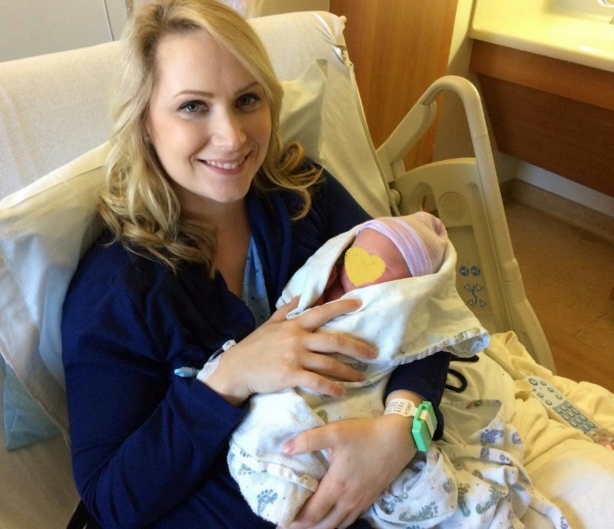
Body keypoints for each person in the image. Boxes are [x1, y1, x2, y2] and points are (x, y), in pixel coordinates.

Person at [60, 1, 452, 528]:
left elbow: (416, 304)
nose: (233, 137)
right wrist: (228, 379)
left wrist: (403, 428)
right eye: (193, 106)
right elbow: (110, 500)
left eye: (247, 99)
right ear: (145, 122)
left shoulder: (304, 195)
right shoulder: (119, 289)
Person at [209, 212, 489, 527]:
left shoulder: (311, 199)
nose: (353, 270)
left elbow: (431, 332)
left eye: (378, 265)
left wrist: (401, 425)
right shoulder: (326, 277)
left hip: (357, 417)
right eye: (353, 257)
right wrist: (230, 375)